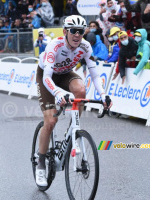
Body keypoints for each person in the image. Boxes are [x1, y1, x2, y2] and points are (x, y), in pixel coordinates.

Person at [35, 15, 112, 186]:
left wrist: (103, 95)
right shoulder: (54, 46)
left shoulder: (85, 47)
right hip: (46, 77)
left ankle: (73, 129)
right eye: (73, 31)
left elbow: (94, 73)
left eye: (81, 31)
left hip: (65, 74)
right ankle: (40, 163)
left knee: (81, 90)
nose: (78, 35)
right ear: (65, 32)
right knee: (51, 121)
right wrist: (58, 93)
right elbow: (47, 77)